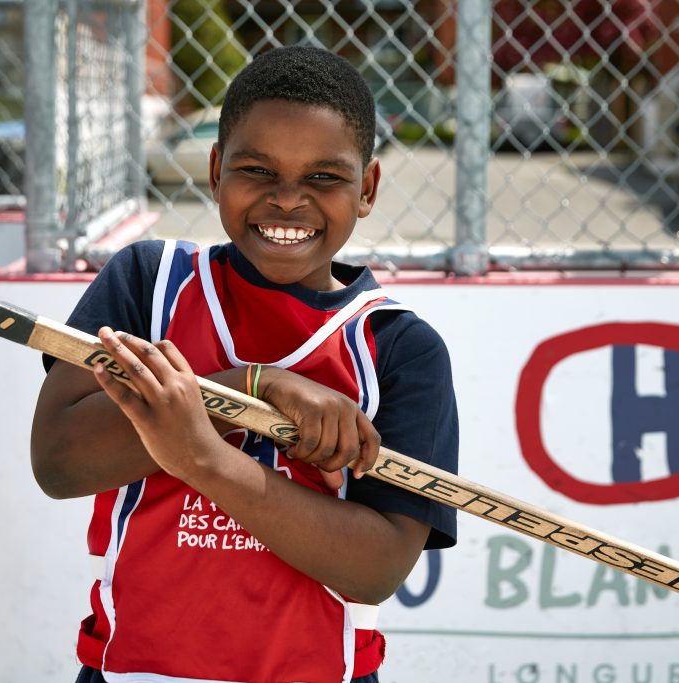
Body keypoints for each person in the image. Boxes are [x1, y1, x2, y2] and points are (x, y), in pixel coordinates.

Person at [30, 45, 459, 683]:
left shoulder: (396, 346)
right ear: (215, 170)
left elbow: (375, 571)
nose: (288, 201)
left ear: (366, 188)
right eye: (257, 170)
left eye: (324, 177)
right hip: (135, 671)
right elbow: (60, 463)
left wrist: (202, 457)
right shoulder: (149, 284)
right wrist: (245, 389)